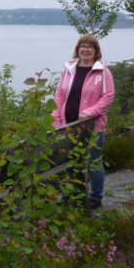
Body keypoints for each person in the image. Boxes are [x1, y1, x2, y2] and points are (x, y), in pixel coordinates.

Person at [51, 34, 115, 209]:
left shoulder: (103, 72)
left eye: (90, 47)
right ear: (78, 49)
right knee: (72, 161)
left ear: (96, 51)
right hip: (68, 125)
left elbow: (108, 97)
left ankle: (95, 197)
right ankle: (73, 194)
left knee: (94, 161)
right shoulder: (69, 69)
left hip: (92, 126)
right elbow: (60, 94)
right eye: (82, 46)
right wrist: (57, 118)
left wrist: (88, 113)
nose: (85, 49)